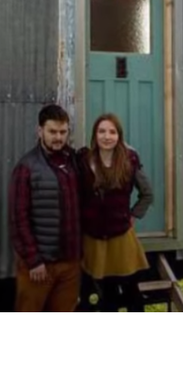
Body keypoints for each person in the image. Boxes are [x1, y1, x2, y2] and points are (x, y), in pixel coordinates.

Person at [8, 104, 83, 312]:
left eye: (63, 132)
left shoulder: (75, 162)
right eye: (52, 132)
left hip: (70, 264)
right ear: (40, 131)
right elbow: (18, 218)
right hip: (40, 266)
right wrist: (33, 261)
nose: (58, 137)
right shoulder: (27, 167)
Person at [77, 113, 153, 312]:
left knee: (131, 291)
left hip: (121, 238)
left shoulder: (129, 160)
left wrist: (133, 216)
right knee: (107, 294)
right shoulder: (84, 160)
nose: (106, 136)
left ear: (119, 135)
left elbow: (147, 194)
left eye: (112, 132)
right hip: (94, 239)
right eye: (101, 131)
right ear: (95, 134)